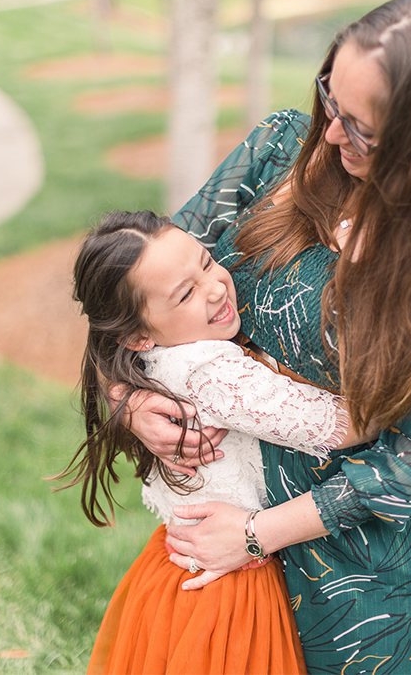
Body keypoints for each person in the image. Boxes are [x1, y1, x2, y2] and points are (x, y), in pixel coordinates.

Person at [126, 0, 411, 673]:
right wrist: (131, 403)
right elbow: (137, 290)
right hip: (224, 545)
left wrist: (257, 536)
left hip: (367, 586)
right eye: (331, 100)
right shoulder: (275, 152)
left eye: (360, 129)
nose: (328, 135)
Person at [64, 210, 378, 674]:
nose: (214, 288)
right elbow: (348, 425)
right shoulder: (213, 372)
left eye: (207, 262)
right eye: (186, 293)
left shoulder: (155, 361)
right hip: (228, 590)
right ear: (138, 336)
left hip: (173, 570)